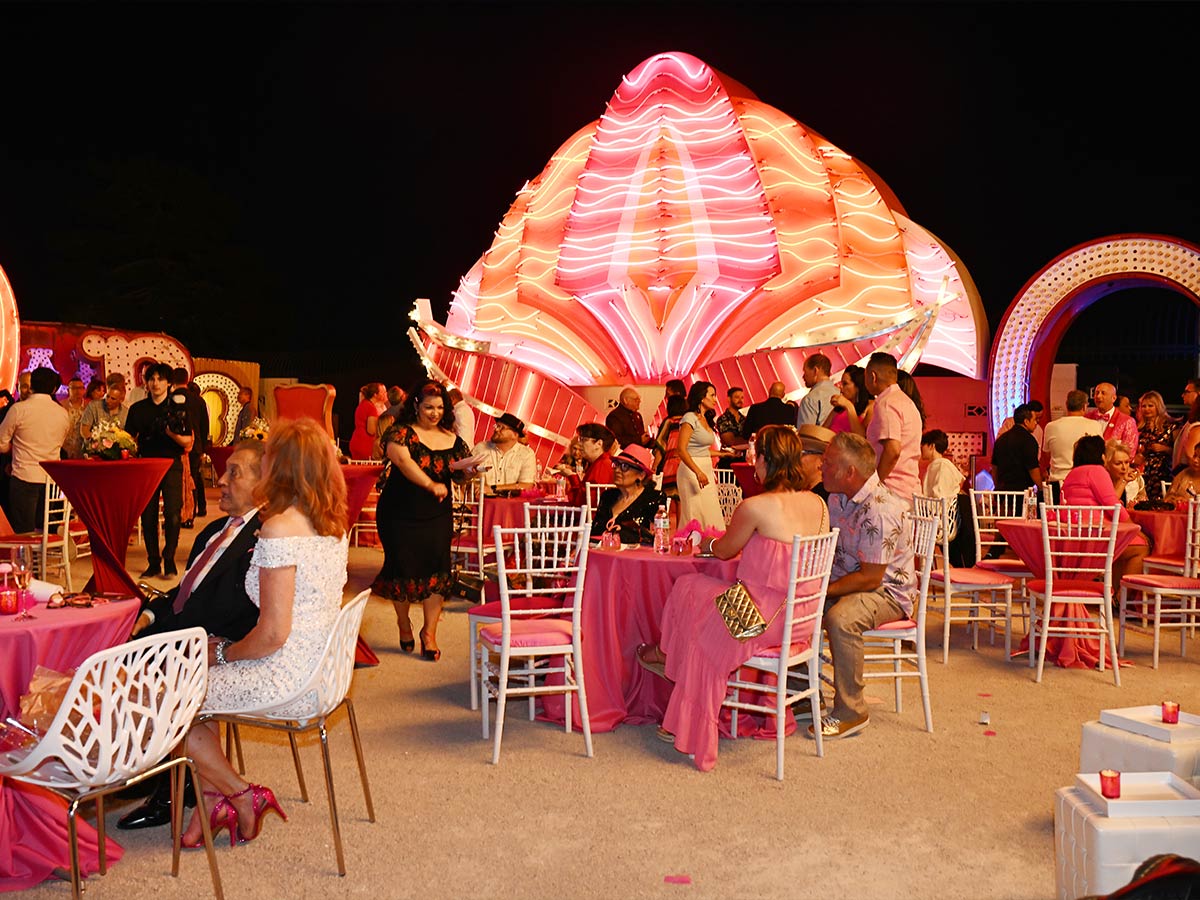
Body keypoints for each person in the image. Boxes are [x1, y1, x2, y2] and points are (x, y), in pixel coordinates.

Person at [178, 417, 350, 849]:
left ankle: (241, 794)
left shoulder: (279, 528)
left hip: (287, 674)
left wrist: (223, 654)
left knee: (170, 699)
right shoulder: (332, 524)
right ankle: (212, 805)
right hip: (325, 670)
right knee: (194, 684)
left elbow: (272, 634)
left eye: (269, 455)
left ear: (281, 466)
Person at [635, 425, 828, 771]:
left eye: (757, 458)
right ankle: (669, 656)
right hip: (801, 618)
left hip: (757, 619)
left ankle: (672, 668)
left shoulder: (755, 506)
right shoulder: (818, 504)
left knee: (692, 600)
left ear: (766, 461)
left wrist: (703, 543)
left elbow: (725, 550)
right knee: (696, 593)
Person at [118, 439, 267, 832]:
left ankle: (173, 784)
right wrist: (149, 615)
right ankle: (167, 775)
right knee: (105, 639)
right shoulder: (215, 529)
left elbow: (232, 611)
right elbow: (187, 590)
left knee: (118, 670)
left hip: (209, 644)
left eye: (234, 473)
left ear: (264, 484)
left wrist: (160, 640)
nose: (221, 480)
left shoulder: (265, 540)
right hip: (180, 632)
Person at [372, 379, 482, 659]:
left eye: (440, 407)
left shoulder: (453, 438)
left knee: (438, 571)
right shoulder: (400, 432)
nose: (435, 413)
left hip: (437, 515)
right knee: (401, 570)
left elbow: (459, 475)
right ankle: (403, 622)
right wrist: (430, 484)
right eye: (429, 407)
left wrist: (469, 472)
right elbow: (403, 462)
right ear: (416, 405)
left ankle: (429, 633)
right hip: (398, 513)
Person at [816, 431, 915, 739]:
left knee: (841, 619)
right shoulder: (837, 497)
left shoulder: (881, 509)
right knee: (796, 604)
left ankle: (851, 711)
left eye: (828, 463)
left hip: (887, 591)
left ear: (850, 472)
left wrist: (823, 591)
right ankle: (804, 694)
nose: (821, 466)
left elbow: (871, 578)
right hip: (851, 581)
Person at [126, 362, 194, 578]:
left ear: (169, 383)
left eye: (160, 379)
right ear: (146, 383)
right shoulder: (137, 409)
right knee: (148, 517)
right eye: (151, 379)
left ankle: (169, 558)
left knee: (173, 514)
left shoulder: (178, 408)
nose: (155, 383)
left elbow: (188, 441)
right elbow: (127, 440)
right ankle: (153, 561)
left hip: (171, 464)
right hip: (145, 466)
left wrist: (172, 435)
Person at [1062, 435, 1148, 587]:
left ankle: (1114, 592)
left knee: (1123, 547)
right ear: (1102, 455)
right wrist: (1135, 528)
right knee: (1141, 547)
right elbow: (1112, 505)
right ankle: (1122, 596)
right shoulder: (1097, 471)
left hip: (1075, 533)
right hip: (1096, 535)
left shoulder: (1072, 474)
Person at [0, 366, 69, 532]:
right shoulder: (62, 413)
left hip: (24, 476)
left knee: (24, 528)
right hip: (51, 479)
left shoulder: (19, 409)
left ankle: (29, 549)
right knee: (44, 523)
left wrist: (14, 449)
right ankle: (56, 535)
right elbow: (60, 443)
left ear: (31, 385)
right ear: (54, 389)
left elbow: (1, 444)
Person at [864, 352, 922, 503]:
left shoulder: (887, 404)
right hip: (909, 489)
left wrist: (875, 484)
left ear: (873, 376)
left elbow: (893, 450)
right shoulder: (907, 403)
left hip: (892, 492)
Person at [675, 381, 725, 529]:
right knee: (694, 512)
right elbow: (681, 449)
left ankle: (710, 539)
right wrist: (698, 472)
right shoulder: (689, 418)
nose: (715, 399)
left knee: (710, 510)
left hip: (705, 468)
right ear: (702, 397)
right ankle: (691, 540)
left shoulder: (705, 419)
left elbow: (701, 450)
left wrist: (722, 454)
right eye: (712, 395)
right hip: (691, 470)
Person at [591, 445, 664, 544]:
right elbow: (595, 532)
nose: (617, 470)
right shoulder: (608, 496)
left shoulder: (653, 498)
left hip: (635, 552)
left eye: (624, 466)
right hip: (602, 550)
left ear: (641, 475)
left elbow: (656, 537)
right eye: (616, 464)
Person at [1041, 389, 1104, 489]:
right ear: (1084, 406)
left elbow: (1047, 454)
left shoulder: (1051, 426)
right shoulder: (1094, 425)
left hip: (1058, 481)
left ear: (1067, 405)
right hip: (1085, 481)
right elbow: (1100, 453)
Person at [173, 367, 210, 527]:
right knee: (192, 480)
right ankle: (190, 516)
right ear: (187, 379)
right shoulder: (198, 400)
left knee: (175, 482)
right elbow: (205, 426)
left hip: (174, 446)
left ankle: (176, 515)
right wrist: (202, 447)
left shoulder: (170, 398)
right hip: (195, 446)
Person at [471, 412, 538, 491]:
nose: (496, 429)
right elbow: (465, 476)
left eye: (501, 427)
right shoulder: (480, 448)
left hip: (510, 499)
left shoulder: (526, 454)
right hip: (480, 498)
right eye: (496, 426)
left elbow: (527, 485)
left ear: (515, 435)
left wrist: (493, 489)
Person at [558, 422, 615, 506]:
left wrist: (571, 476)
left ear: (599, 444)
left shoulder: (603, 465)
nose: (580, 444)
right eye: (580, 439)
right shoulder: (598, 463)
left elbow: (584, 501)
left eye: (583, 440)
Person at [991, 403, 1042, 492]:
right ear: (1026, 422)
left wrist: (998, 487)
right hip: (1022, 492)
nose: (1036, 423)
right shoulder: (1029, 440)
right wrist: (1041, 488)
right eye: (1034, 420)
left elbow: (994, 468)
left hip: (1002, 492)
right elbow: (1033, 469)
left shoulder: (1001, 440)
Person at [1135, 391, 1175, 500]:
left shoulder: (1170, 427)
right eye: (1144, 406)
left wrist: (1164, 449)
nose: (1147, 409)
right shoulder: (1139, 429)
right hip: (1143, 474)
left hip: (1163, 473)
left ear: (1158, 406)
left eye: (1150, 406)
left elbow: (1178, 452)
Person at [1087, 382, 1139, 458]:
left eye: (1103, 393)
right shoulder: (1087, 417)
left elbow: (1130, 451)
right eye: (1096, 393)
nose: (1098, 396)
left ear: (1113, 398)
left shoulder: (1127, 421)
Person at [825, 365, 872, 435]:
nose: (841, 387)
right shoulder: (839, 407)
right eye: (841, 383)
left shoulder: (870, 406)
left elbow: (861, 436)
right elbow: (823, 430)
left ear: (857, 387)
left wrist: (849, 406)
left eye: (845, 384)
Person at [80, 372, 129, 439]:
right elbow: (84, 431)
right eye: (108, 396)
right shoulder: (93, 406)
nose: (108, 400)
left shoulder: (126, 413)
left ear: (121, 400)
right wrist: (96, 441)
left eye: (113, 399)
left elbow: (128, 436)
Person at [796, 353, 838, 427]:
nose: (803, 376)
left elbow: (806, 432)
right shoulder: (841, 394)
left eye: (805, 372)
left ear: (815, 371)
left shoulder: (809, 399)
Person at [921, 429, 964, 501]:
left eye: (923, 445)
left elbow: (940, 495)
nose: (921, 448)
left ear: (932, 446)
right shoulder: (936, 465)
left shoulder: (942, 466)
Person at [350, 382, 387, 460]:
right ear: (375, 395)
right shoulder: (371, 408)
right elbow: (371, 431)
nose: (385, 394)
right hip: (365, 445)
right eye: (382, 392)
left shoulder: (363, 404)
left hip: (356, 442)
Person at [797, 423, 834, 500]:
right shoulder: (797, 489)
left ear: (822, 462)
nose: (795, 459)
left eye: (802, 453)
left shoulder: (826, 498)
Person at [1107, 438, 1147, 506]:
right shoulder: (1103, 480)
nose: (1124, 467)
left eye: (1126, 462)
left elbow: (1144, 500)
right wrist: (1123, 481)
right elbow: (1110, 503)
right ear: (1107, 464)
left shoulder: (1136, 479)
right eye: (1118, 464)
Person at [1172, 384, 1200, 473]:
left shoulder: (1195, 425)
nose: (1182, 395)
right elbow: (1190, 455)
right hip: (1187, 474)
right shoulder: (1195, 425)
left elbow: (1191, 455)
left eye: (1187, 392)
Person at [59, 376, 88, 459]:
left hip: (83, 449)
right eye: (74, 388)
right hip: (64, 448)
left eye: (80, 388)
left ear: (84, 390)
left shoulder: (89, 406)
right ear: (68, 390)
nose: (78, 391)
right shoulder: (61, 406)